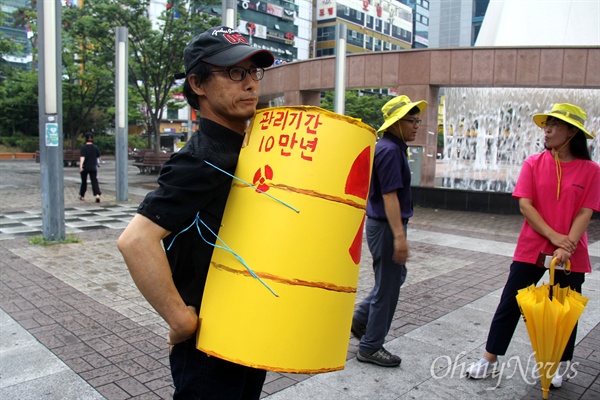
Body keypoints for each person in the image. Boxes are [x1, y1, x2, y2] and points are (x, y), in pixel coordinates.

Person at [117, 26, 274, 399]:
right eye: (235, 72)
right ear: (198, 84)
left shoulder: (250, 148)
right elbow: (136, 242)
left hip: (249, 324)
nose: (250, 83)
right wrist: (181, 320)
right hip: (208, 341)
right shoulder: (201, 158)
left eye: (254, 72)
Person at [465, 103, 600, 388]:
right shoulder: (533, 163)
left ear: (572, 132)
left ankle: (559, 364)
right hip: (532, 248)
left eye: (554, 125)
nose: (547, 130)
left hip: (571, 252)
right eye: (546, 125)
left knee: (563, 310)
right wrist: (554, 237)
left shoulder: (591, 170)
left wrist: (567, 246)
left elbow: (585, 212)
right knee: (510, 302)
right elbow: (526, 205)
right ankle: (489, 358)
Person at [351, 95, 428, 367]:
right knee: (388, 288)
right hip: (385, 226)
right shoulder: (390, 151)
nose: (417, 125)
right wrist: (399, 237)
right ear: (397, 123)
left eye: (418, 120)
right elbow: (389, 196)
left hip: (383, 225)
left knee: (395, 278)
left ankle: (361, 320)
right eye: (412, 120)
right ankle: (371, 347)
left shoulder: (390, 147)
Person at [79, 132, 102, 202]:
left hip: (85, 167)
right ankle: (97, 194)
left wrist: (80, 166)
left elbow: (82, 157)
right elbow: (99, 157)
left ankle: (82, 195)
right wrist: (98, 163)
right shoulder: (95, 147)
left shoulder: (83, 147)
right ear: (92, 138)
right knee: (94, 181)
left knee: (84, 181)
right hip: (93, 167)